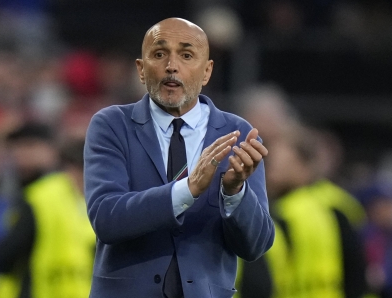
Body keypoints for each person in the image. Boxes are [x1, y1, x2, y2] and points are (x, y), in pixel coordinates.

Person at [83, 17, 274, 298]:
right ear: (141, 68)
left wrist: (235, 192)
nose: (172, 66)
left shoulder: (239, 133)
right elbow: (106, 219)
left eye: (186, 55)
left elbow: (256, 245)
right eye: (159, 54)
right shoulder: (112, 125)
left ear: (207, 71)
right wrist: (187, 189)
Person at [235, 125, 367, 298]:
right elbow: (358, 276)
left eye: (280, 163)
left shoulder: (281, 213)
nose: (271, 171)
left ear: (304, 164)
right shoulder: (340, 203)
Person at [0, 123, 96, 298]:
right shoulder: (82, 200)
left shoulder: (40, 196)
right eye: (17, 148)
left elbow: (3, 258)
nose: (21, 154)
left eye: (29, 146)